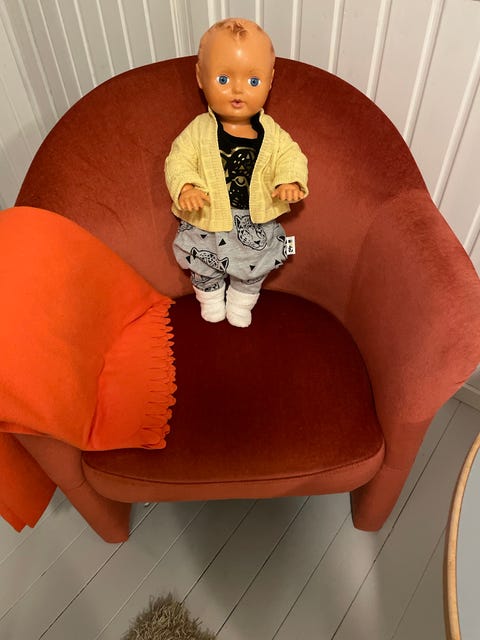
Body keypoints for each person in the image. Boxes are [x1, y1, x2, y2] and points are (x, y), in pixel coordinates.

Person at [165, 18, 308, 327]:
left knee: (256, 264)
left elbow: (291, 155)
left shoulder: (271, 133)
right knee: (201, 259)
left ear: (270, 81)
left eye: (253, 81)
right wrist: (186, 187)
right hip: (207, 216)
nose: (238, 90)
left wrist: (289, 180)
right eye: (223, 79)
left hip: (255, 218)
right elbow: (178, 159)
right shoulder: (198, 130)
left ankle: (242, 301)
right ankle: (210, 296)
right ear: (200, 77)